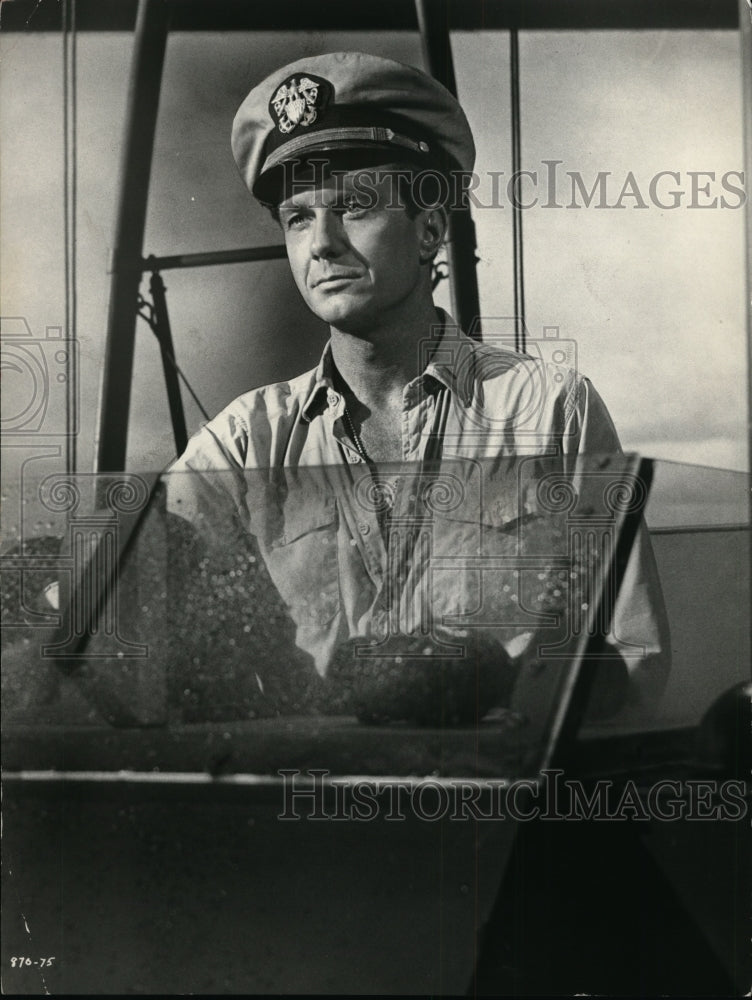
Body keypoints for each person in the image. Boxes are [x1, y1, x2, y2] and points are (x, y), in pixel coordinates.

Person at [169, 51, 670, 722]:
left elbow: (632, 658)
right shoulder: (237, 444)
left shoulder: (549, 409)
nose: (321, 244)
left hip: (493, 805)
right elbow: (149, 605)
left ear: (430, 226)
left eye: (354, 208)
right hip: (310, 807)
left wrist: (488, 706)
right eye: (298, 218)